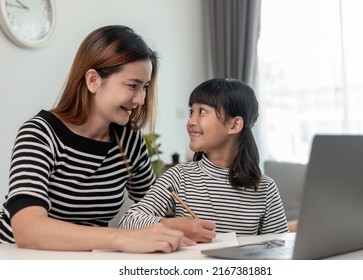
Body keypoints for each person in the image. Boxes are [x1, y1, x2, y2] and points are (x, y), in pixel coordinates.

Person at [0, 25, 193, 253]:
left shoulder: (129, 142)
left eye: (145, 87)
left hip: (83, 261)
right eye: (132, 86)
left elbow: (152, 207)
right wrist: (123, 238)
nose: (141, 99)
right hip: (15, 257)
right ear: (93, 80)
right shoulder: (40, 133)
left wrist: (178, 223)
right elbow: (27, 230)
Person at [119, 78, 289, 242]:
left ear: (234, 125)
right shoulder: (178, 177)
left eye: (202, 111)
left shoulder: (265, 189)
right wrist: (173, 226)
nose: (190, 121)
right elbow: (127, 223)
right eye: (191, 111)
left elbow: (279, 247)